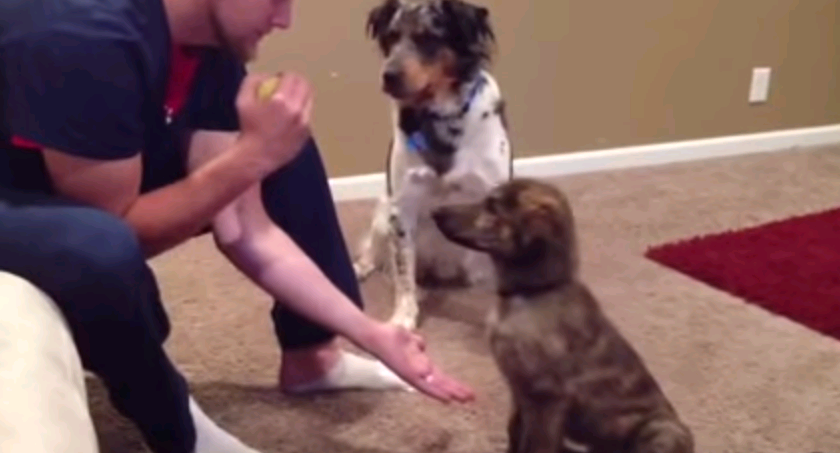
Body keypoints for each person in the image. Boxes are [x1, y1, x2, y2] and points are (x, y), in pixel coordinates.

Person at [0, 0, 475, 452]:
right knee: (101, 249)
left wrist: (369, 332)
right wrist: (250, 157)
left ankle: (314, 357)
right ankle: (178, 431)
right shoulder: (84, 31)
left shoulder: (207, 44)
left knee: (282, 151)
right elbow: (121, 227)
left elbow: (245, 228)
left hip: (53, 170)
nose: (285, 19)